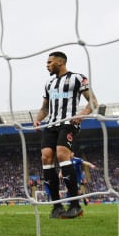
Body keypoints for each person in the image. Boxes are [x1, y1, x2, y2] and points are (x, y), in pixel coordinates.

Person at [33, 51, 97, 219]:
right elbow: (45, 107)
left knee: (62, 154)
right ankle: (57, 206)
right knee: (46, 157)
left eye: (49, 62)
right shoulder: (49, 83)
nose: (47, 65)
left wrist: (81, 114)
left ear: (60, 62)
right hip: (51, 124)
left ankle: (75, 205)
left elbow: (93, 102)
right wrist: (38, 119)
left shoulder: (78, 78)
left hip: (68, 122)